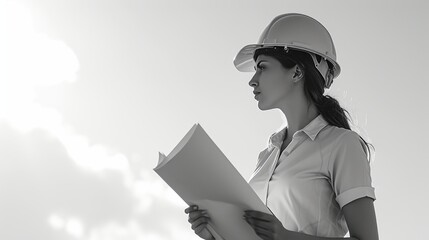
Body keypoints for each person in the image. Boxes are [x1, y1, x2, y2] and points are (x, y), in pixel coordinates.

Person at [185, 13, 378, 240]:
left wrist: (286, 237)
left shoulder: (342, 144)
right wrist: (215, 232)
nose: (252, 79)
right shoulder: (267, 154)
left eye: (262, 67)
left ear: (297, 72)